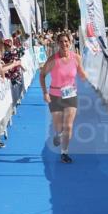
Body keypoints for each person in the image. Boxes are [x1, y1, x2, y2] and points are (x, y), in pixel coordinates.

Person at [39, 32, 88, 164]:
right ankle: (58, 134)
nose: (64, 44)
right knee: (59, 126)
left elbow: (82, 74)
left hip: (71, 95)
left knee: (68, 126)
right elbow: (42, 75)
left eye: (66, 41)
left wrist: (84, 75)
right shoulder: (53, 60)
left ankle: (64, 152)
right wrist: (45, 93)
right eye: (61, 42)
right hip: (55, 96)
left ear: (70, 42)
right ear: (57, 44)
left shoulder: (76, 58)